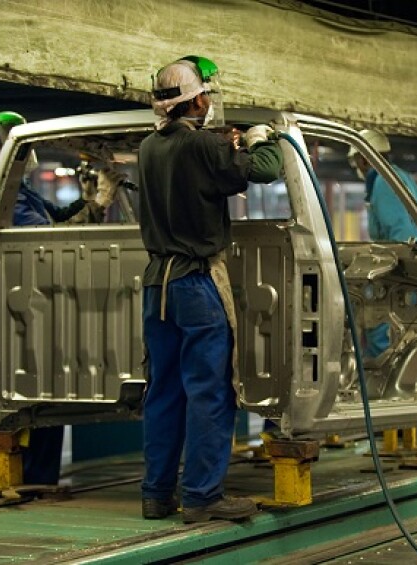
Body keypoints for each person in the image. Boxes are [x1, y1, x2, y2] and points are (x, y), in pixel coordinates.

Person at [138, 55, 282, 522]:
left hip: (157, 284)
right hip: (196, 284)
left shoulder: (148, 148)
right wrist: (261, 137)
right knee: (210, 391)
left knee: (163, 391)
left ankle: (157, 495)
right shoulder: (200, 146)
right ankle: (202, 497)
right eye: (206, 95)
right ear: (196, 99)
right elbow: (264, 169)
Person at [0, 111, 123, 488]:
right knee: (33, 405)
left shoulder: (18, 189)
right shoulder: (0, 189)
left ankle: (40, 482)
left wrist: (90, 200)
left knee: (47, 404)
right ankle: (27, 483)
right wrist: (99, 203)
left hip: (41, 304)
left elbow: (56, 215)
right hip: (25, 306)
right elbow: (46, 239)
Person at [347, 129, 417, 358]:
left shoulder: (383, 183)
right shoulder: (399, 177)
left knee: (377, 323)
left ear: (364, 158)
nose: (358, 168)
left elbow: (400, 235)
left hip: (400, 273)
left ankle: (378, 380)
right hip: (415, 272)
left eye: (357, 162)